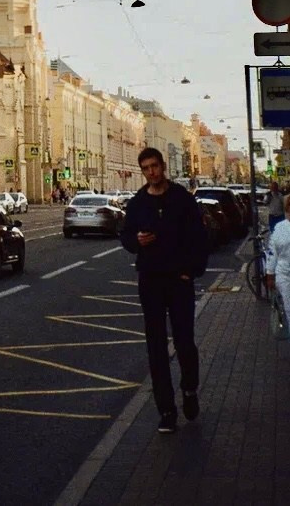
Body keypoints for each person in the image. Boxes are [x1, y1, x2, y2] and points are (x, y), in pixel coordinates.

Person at [120, 147, 209, 434]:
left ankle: (189, 389)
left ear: (162, 166)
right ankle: (166, 410)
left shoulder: (181, 199)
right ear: (142, 172)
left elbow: (199, 237)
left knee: (185, 341)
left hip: (179, 279)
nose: (152, 172)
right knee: (156, 346)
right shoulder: (137, 203)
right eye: (146, 168)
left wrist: (190, 271)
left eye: (155, 166)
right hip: (150, 280)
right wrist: (137, 240)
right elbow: (125, 236)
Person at [266, 193, 290, 318]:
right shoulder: (280, 228)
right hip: (285, 276)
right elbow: (272, 252)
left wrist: (270, 275)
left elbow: (272, 252)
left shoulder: (279, 228)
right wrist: (270, 275)